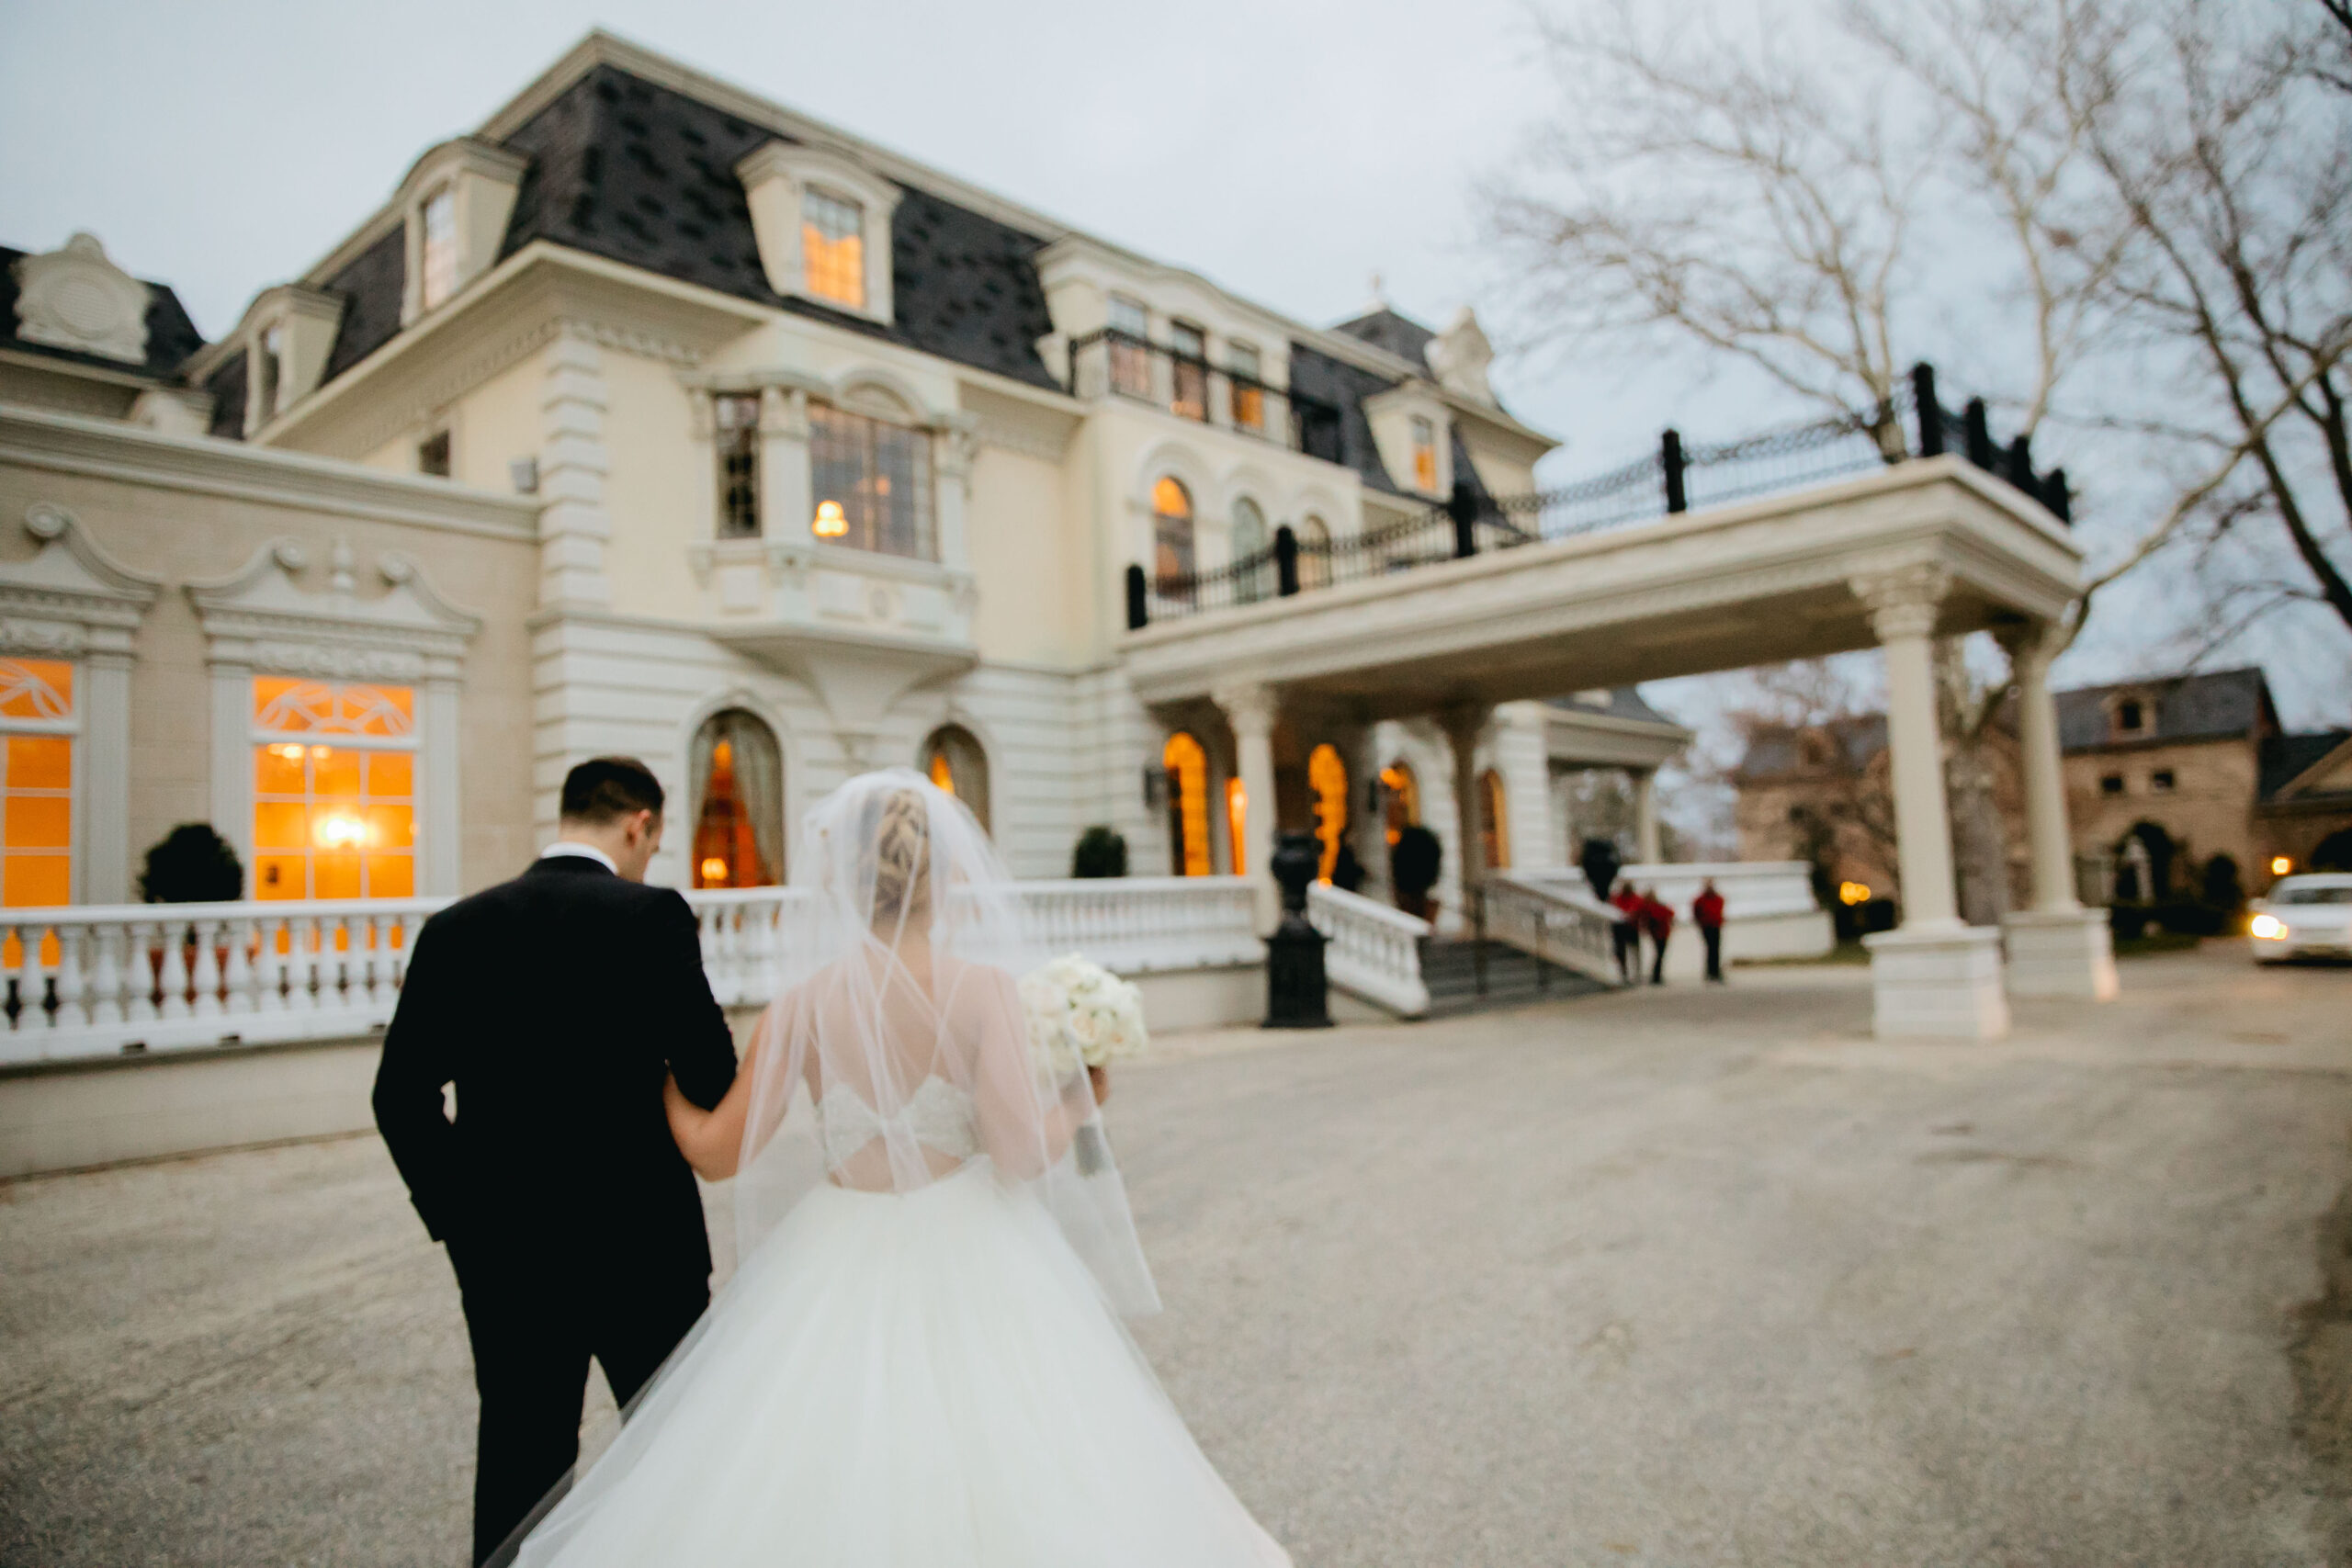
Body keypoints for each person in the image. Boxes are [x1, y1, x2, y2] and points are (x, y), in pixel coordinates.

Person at [499, 772, 1290, 1568]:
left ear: (844, 884)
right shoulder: (983, 994)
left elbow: (714, 1152)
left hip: (832, 1248)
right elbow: (1018, 1154)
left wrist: (659, 1082)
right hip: (975, 1237)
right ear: (945, 878)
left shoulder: (804, 1002)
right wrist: (1085, 1100)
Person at [373, 757, 739, 1566]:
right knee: (678, 1451)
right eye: (654, 840)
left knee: (519, 1466)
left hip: (505, 1258)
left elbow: (398, 1096)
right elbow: (713, 1074)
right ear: (640, 823)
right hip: (646, 1244)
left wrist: (463, 1219)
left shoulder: (456, 926)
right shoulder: (651, 914)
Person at [1639, 885, 1675, 986]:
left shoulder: (1651, 907)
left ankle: (1656, 975)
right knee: (1659, 954)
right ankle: (1656, 976)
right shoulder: (1651, 907)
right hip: (1659, 933)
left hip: (1659, 932)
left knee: (1659, 954)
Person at [1693, 878, 1727, 984]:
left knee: (1716, 949)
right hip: (1706, 926)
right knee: (1709, 948)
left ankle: (1716, 971)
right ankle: (1710, 972)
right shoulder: (1700, 900)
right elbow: (1696, 912)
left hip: (1716, 925)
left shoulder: (1718, 898)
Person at [1609, 883, 1643, 985]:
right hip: (1621, 928)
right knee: (1621, 952)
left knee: (1634, 951)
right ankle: (1625, 973)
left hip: (1631, 927)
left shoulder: (1635, 898)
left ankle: (1636, 972)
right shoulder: (1618, 898)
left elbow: (1639, 909)